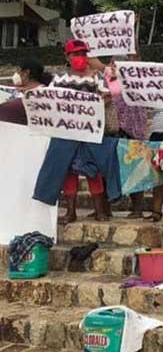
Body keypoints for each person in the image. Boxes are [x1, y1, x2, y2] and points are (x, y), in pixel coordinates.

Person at [53, 40, 111, 224]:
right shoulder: (59, 79)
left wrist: (97, 103)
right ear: (67, 57)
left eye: (83, 54)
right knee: (69, 172)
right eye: (76, 54)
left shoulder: (96, 77)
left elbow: (107, 96)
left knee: (93, 171)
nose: (80, 58)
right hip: (67, 132)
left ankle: (100, 211)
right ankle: (70, 212)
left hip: (90, 133)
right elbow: (50, 101)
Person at [105, 55, 149, 219]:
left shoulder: (135, 81)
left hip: (133, 130)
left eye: (118, 64)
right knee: (107, 168)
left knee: (134, 168)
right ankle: (105, 207)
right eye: (112, 63)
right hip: (109, 129)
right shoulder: (104, 80)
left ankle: (137, 208)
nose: (114, 67)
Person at [0, 58, 52, 125]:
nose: (16, 74)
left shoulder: (15, 105)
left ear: (26, 73)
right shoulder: (50, 93)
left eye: (18, 71)